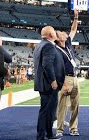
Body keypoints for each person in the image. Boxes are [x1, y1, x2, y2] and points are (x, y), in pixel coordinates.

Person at [34, 26, 65, 140]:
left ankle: (48, 134)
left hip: (44, 84)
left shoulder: (41, 45)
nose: (56, 34)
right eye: (54, 32)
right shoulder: (48, 46)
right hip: (48, 84)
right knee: (46, 111)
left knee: (49, 111)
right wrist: (53, 80)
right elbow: (47, 64)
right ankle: (41, 136)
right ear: (51, 35)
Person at [55, 9, 80, 137]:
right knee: (62, 106)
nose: (65, 34)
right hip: (64, 79)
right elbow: (57, 69)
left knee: (75, 105)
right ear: (58, 39)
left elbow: (73, 30)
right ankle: (59, 129)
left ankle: (73, 128)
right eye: (62, 33)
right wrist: (62, 83)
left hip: (74, 78)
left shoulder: (68, 44)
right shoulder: (56, 50)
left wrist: (76, 17)